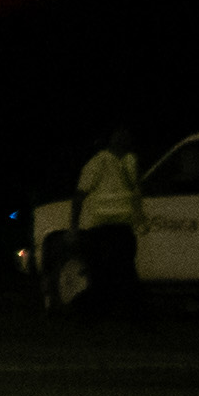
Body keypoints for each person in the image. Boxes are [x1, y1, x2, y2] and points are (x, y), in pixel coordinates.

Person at [68, 127, 143, 315]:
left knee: (124, 271)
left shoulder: (130, 161)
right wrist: (74, 227)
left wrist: (139, 217)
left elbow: (134, 193)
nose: (124, 139)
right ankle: (95, 312)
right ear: (112, 140)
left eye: (126, 136)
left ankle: (125, 312)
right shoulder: (99, 162)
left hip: (122, 227)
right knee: (101, 270)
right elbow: (79, 195)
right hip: (102, 228)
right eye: (120, 136)